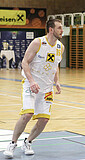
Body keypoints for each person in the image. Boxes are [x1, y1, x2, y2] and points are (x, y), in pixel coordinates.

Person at [3, 19, 64, 158]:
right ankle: (12, 143)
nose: (62, 30)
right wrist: (31, 81)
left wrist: (57, 82)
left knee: (44, 120)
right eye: (59, 28)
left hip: (47, 88)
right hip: (31, 84)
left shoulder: (61, 47)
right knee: (27, 114)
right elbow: (24, 62)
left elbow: (55, 66)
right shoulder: (38, 42)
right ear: (51, 29)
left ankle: (28, 141)